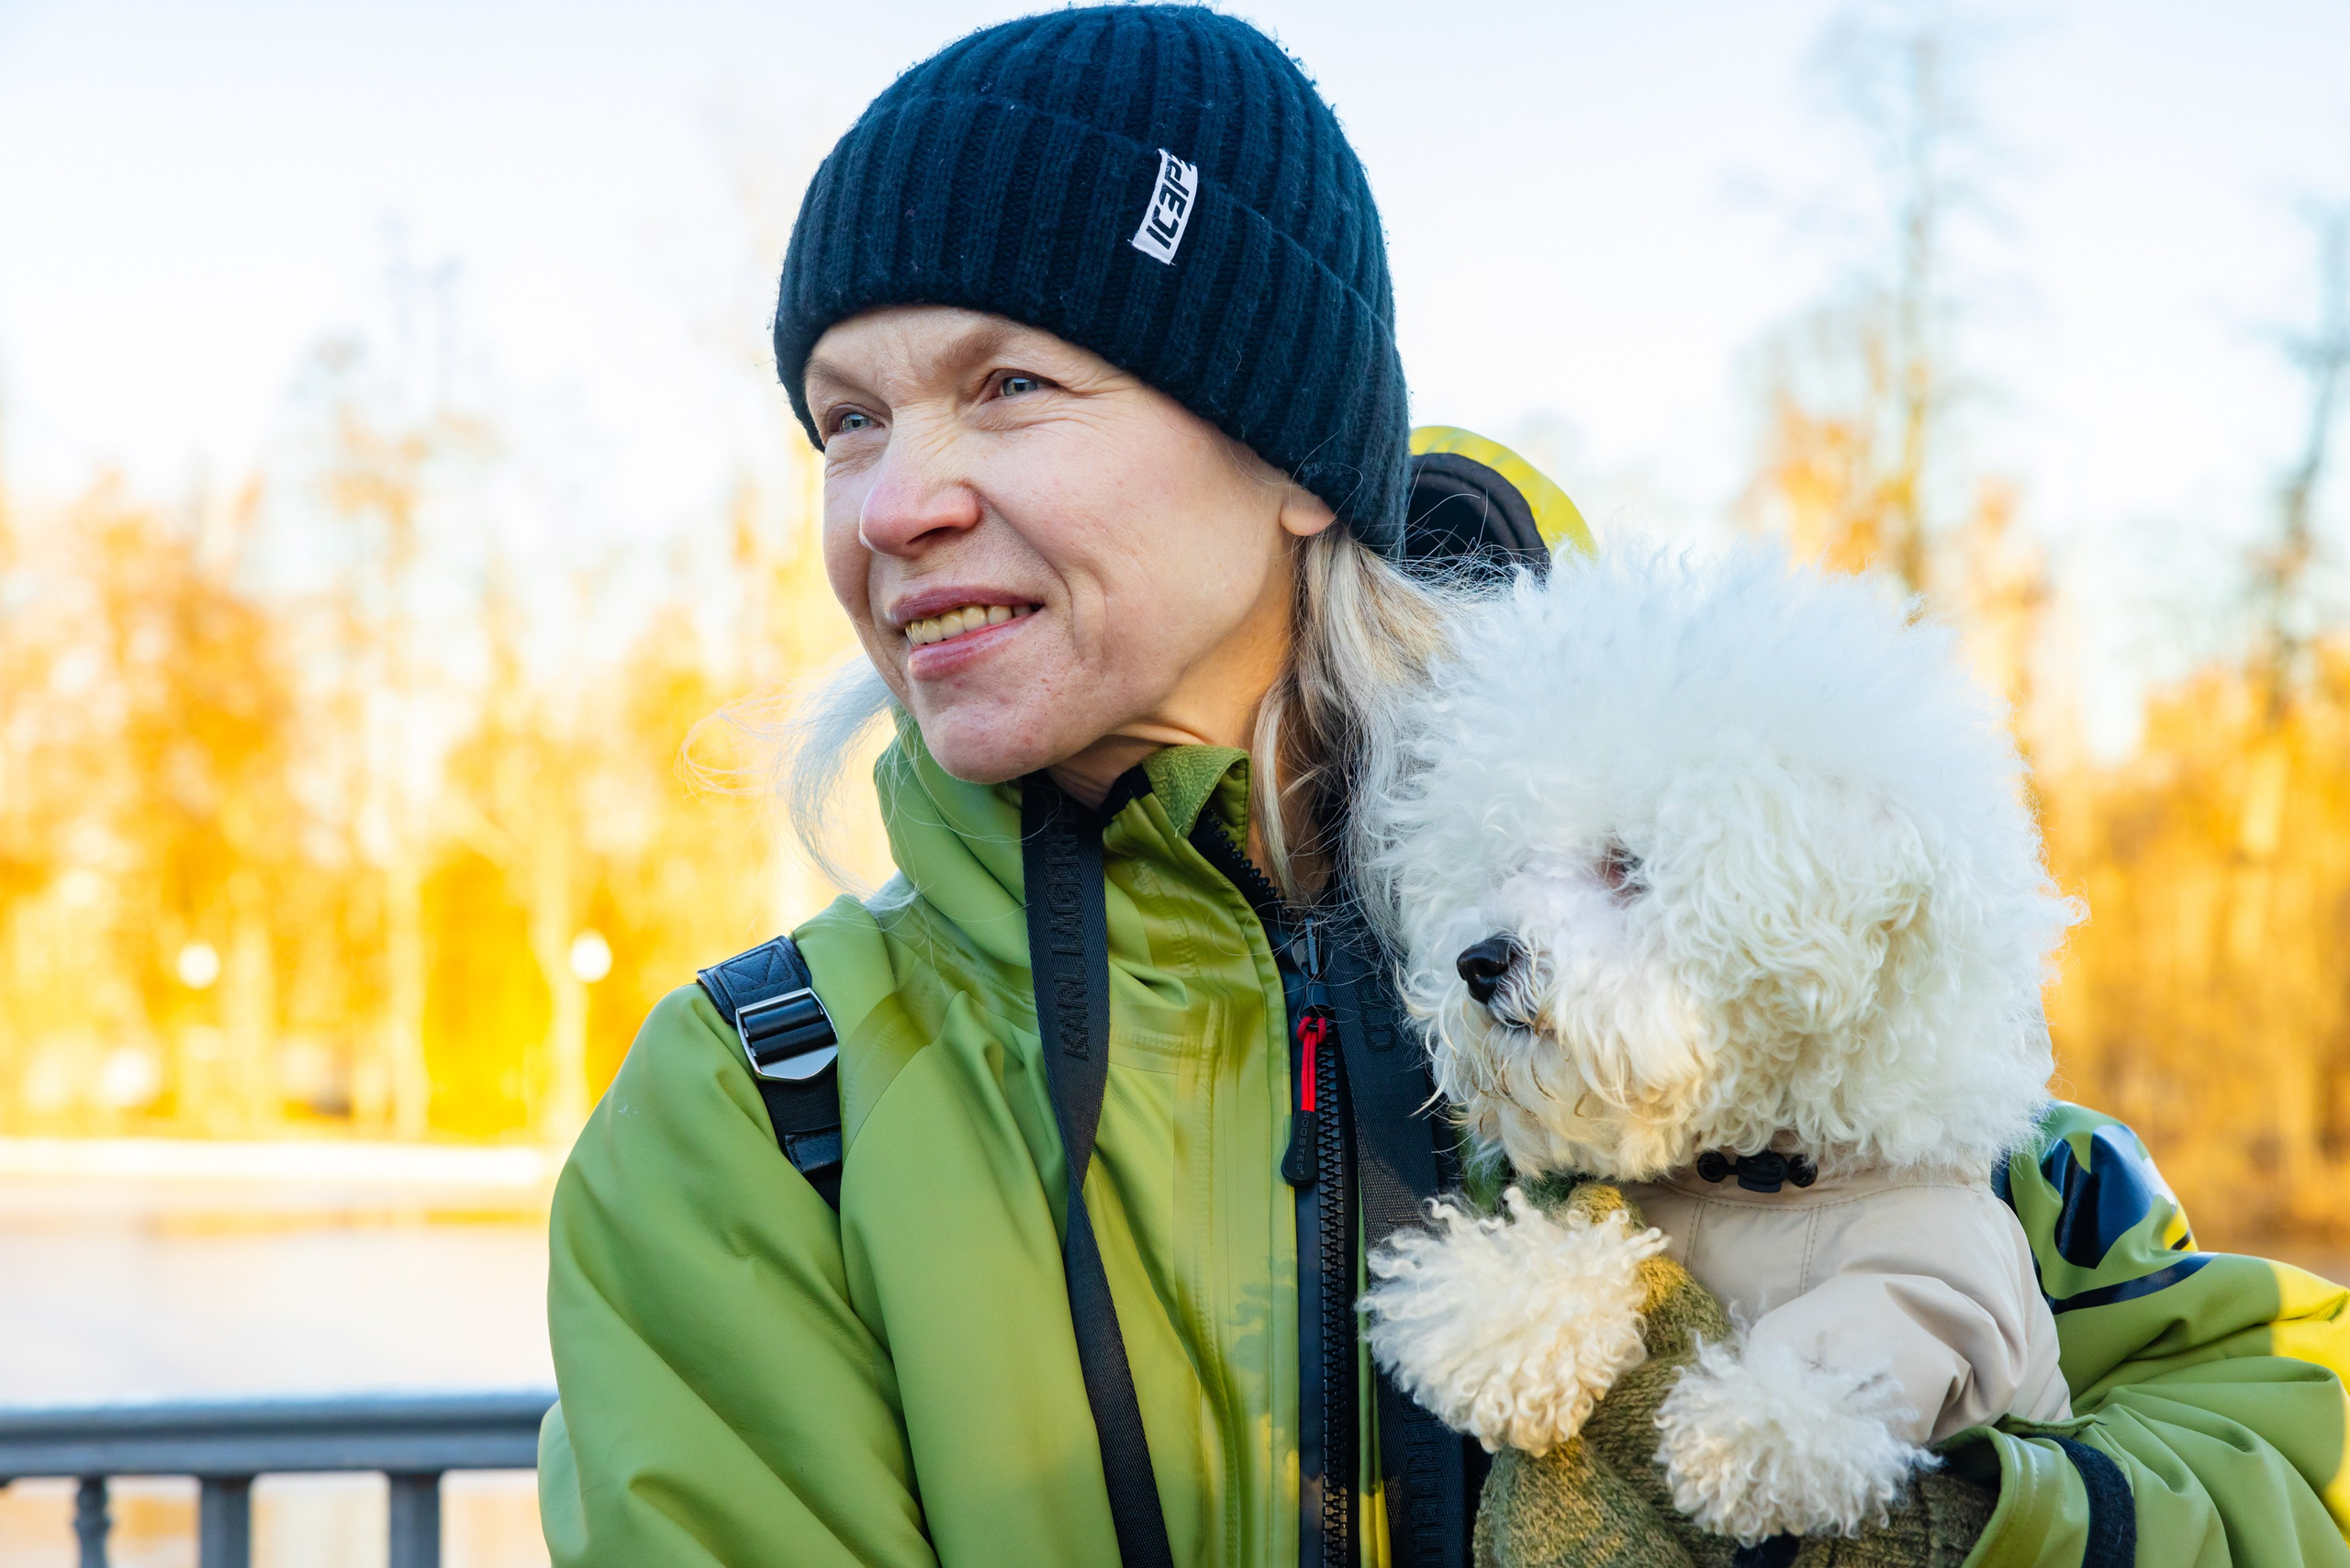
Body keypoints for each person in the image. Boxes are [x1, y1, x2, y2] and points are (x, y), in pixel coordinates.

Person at [535, 8, 2350, 1567]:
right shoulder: (758, 1111)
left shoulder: (1707, 956)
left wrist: (1940, 1521)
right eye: (846, 419)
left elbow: (2282, 1418)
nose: (891, 503)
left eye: (1007, 384)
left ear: (1295, 460)